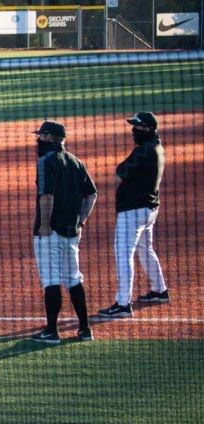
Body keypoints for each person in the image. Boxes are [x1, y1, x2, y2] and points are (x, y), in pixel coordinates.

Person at [29, 121, 97, 344]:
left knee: (51, 280)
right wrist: (81, 221)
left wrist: (45, 224)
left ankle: (51, 331)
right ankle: (85, 329)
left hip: (51, 232)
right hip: (71, 231)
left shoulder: (45, 161)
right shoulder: (76, 161)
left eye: (41, 135)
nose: (38, 139)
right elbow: (91, 195)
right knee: (73, 278)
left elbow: (47, 196)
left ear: (49, 137)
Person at [99, 112, 169, 318]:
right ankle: (159, 290)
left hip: (133, 211)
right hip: (148, 210)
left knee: (123, 253)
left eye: (137, 127)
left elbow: (120, 173)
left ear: (148, 129)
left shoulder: (144, 150)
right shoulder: (157, 147)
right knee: (145, 249)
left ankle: (122, 304)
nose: (133, 130)